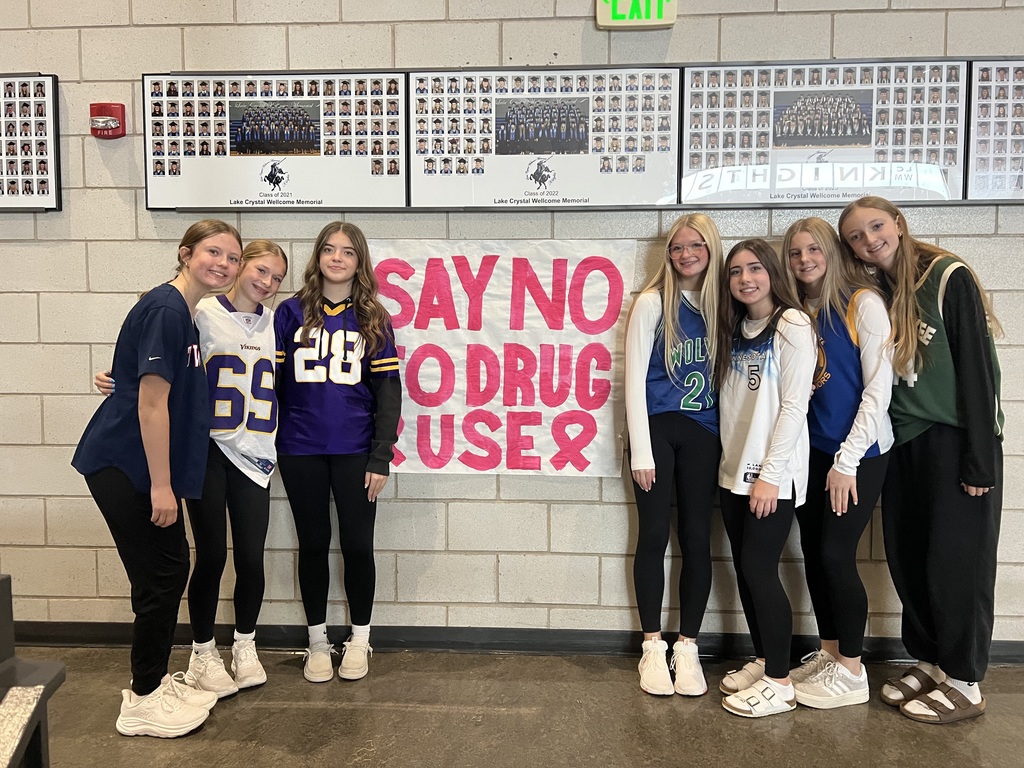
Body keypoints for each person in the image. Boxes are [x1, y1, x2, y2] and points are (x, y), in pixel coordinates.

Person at [96, 240, 289, 697]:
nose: (266, 282)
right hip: (206, 449)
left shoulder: (277, 322)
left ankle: (245, 644)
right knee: (211, 555)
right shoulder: (197, 311)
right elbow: (152, 364)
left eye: (276, 277)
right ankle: (203, 652)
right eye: (259, 269)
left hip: (255, 450)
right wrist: (117, 380)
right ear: (240, 269)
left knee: (250, 556)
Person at [72, 221, 243, 737]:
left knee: (163, 572)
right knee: (164, 574)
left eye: (233, 258)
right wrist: (163, 486)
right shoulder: (169, 309)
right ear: (185, 254)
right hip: (127, 466)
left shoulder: (182, 314)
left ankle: (152, 680)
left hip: (135, 466)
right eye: (214, 252)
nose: (224, 264)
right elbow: (151, 404)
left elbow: (137, 379)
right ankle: (143, 698)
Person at [838, 197, 1003, 724]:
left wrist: (980, 461)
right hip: (904, 441)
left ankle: (966, 679)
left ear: (899, 225)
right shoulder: (875, 294)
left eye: (877, 226)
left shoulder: (948, 277)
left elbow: (980, 373)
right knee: (912, 560)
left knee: (957, 565)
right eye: (857, 236)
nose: (869, 240)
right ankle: (932, 661)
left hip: (954, 440)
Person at [274, 222, 402, 683]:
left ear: (359, 261)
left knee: (356, 545)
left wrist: (380, 455)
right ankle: (316, 641)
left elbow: (389, 392)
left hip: (354, 449)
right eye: (328, 249)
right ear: (317, 256)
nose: (337, 258)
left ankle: (361, 639)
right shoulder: (289, 313)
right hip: (299, 447)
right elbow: (266, 381)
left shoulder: (374, 316)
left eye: (347, 251)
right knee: (312, 544)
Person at [783, 218, 894, 709]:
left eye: (813, 249)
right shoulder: (801, 310)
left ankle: (852, 669)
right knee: (813, 550)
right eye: (794, 252)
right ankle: (830, 653)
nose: (804, 259)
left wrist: (846, 462)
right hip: (817, 451)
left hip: (859, 453)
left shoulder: (862, 304)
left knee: (835, 555)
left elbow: (878, 390)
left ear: (830, 251)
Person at [715, 239, 816, 718]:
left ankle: (780, 681)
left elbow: (795, 405)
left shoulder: (792, 325)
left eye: (755, 268)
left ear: (773, 272)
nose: (745, 279)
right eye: (735, 272)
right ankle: (763, 657)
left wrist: (770, 477)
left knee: (759, 569)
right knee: (746, 571)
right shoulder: (736, 327)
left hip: (770, 477)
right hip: (733, 472)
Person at [625, 215, 724, 697]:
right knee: (653, 536)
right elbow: (632, 382)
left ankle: (687, 646)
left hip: (705, 433)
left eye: (695, 245)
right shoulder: (651, 302)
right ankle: (651, 646)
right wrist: (640, 449)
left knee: (697, 538)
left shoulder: (723, 305)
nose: (685, 254)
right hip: (656, 434)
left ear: (710, 248)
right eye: (677, 247)